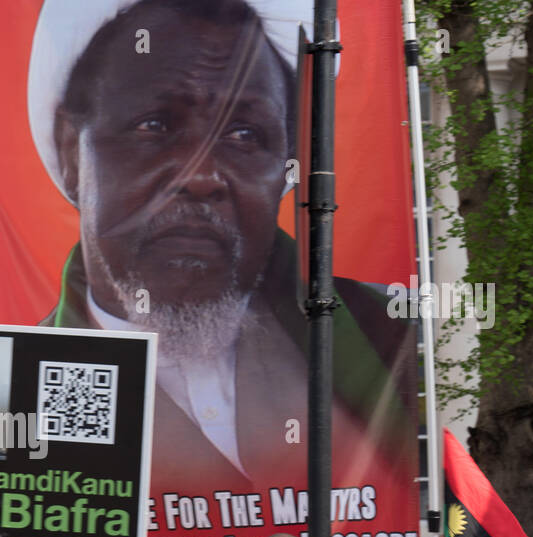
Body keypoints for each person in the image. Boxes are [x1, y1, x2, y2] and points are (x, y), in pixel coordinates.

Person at [30, 0, 414, 491]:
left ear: (287, 164)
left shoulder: (386, 337)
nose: (201, 176)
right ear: (70, 150)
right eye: (155, 125)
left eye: (244, 134)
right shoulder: (23, 384)